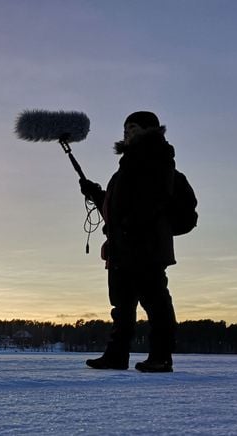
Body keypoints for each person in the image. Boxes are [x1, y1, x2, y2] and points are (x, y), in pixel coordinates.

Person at [79, 111, 178, 373]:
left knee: (155, 302)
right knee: (122, 305)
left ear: (150, 130)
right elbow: (118, 209)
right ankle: (116, 355)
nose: (127, 134)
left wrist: (129, 227)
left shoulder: (156, 158)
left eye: (132, 128)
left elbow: (153, 200)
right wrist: (96, 194)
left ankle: (161, 357)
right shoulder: (129, 163)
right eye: (125, 130)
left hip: (145, 246)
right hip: (123, 246)